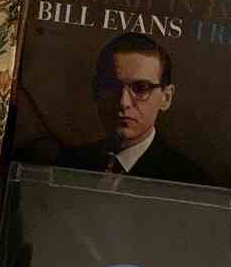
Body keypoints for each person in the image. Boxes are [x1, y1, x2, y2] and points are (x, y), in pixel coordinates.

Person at [58, 32, 208, 184]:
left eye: (141, 88)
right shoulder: (66, 163)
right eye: (111, 86)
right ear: (95, 90)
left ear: (166, 97)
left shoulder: (190, 181)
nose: (123, 102)